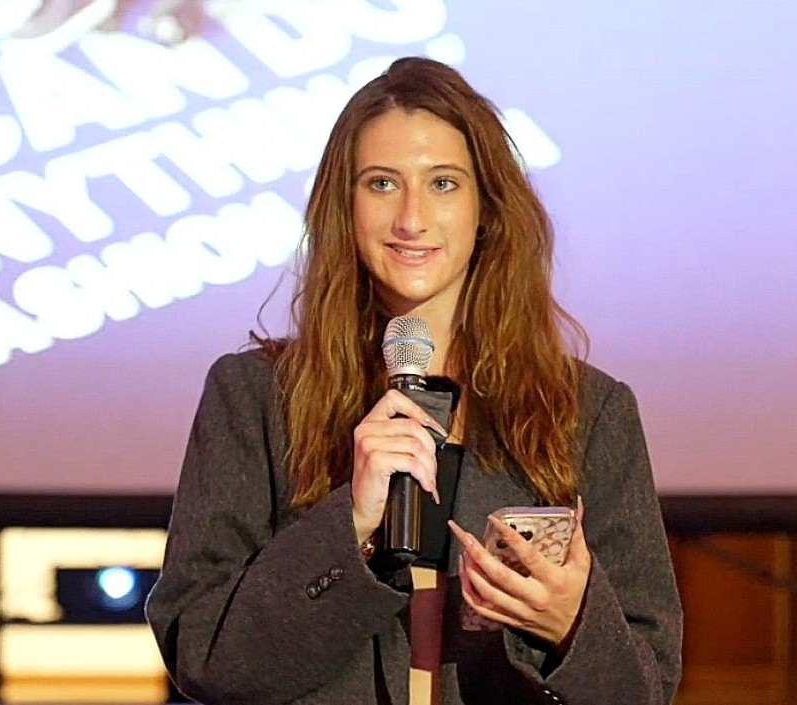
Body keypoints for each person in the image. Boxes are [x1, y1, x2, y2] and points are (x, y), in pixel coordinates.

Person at [145, 56, 683, 705]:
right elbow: (208, 659)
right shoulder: (253, 397)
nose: (411, 218)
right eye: (380, 183)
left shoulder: (587, 411)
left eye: (444, 184)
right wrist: (351, 522)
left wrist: (572, 627)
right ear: (344, 206)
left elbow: (646, 687)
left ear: (487, 206)